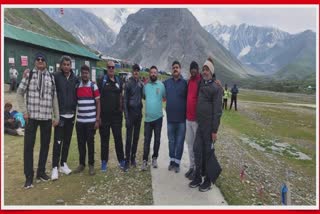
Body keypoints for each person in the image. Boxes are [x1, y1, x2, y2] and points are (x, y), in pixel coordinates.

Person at [17, 52, 59, 189]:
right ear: (35, 61)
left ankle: (41, 172)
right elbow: (19, 93)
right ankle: (29, 177)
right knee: (28, 147)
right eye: (38, 59)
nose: (40, 61)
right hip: (32, 117)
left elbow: (54, 98)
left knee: (45, 145)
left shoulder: (51, 77)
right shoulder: (28, 75)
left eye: (42, 60)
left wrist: (56, 116)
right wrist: (24, 111)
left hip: (46, 117)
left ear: (46, 62)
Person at [189, 57, 223, 192]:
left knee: (208, 153)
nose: (204, 71)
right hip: (200, 125)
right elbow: (193, 76)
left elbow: (218, 111)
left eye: (207, 69)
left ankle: (208, 181)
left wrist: (214, 130)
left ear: (212, 71)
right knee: (197, 149)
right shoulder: (202, 83)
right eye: (203, 69)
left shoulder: (217, 88)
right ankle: (197, 176)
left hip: (209, 127)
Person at [51, 55, 78, 181]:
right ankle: (55, 167)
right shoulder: (56, 77)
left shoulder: (74, 78)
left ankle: (63, 164)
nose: (67, 66)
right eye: (65, 64)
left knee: (67, 141)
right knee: (58, 141)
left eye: (68, 64)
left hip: (71, 115)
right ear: (61, 65)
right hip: (60, 115)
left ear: (70, 66)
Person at [99, 61, 126, 172]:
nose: (111, 69)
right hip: (104, 116)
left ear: (115, 69)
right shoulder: (102, 81)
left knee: (118, 139)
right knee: (104, 140)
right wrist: (98, 116)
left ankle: (122, 161)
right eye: (109, 67)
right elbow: (98, 99)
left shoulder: (119, 80)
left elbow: (121, 96)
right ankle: (104, 162)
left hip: (116, 117)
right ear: (107, 68)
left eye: (113, 67)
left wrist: (122, 111)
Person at [73, 65, 100, 176]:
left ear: (89, 74)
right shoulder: (77, 87)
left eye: (86, 73)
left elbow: (98, 103)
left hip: (90, 121)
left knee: (90, 143)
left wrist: (97, 119)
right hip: (80, 121)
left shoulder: (94, 86)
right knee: (81, 143)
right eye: (83, 73)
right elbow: (76, 103)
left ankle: (91, 165)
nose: (85, 75)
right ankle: (81, 164)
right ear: (81, 74)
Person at [163, 61, 187, 173]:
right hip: (170, 120)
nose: (175, 69)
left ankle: (177, 163)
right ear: (171, 70)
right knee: (171, 141)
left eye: (177, 67)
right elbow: (156, 86)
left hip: (181, 120)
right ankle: (172, 161)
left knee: (180, 142)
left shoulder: (185, 83)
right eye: (173, 68)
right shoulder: (166, 83)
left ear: (180, 69)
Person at [141, 66, 166, 171]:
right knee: (147, 140)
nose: (153, 74)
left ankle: (154, 158)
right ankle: (144, 161)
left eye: (155, 72)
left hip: (158, 118)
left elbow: (164, 97)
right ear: (149, 74)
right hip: (147, 119)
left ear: (157, 74)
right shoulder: (145, 86)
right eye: (151, 72)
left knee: (157, 140)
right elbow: (143, 97)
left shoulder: (161, 86)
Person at [123, 64, 144, 170]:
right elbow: (125, 101)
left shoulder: (141, 84)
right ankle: (126, 161)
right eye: (134, 70)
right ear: (132, 71)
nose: (136, 72)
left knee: (136, 138)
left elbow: (144, 96)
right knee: (129, 138)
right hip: (130, 114)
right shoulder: (128, 83)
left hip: (138, 115)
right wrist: (126, 117)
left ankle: (133, 158)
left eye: (137, 70)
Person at [185, 61, 201, 180]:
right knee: (190, 144)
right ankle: (191, 167)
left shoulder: (201, 81)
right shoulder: (190, 81)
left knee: (196, 146)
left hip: (196, 120)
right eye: (192, 69)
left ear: (198, 69)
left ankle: (197, 169)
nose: (193, 70)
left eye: (195, 69)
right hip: (188, 118)